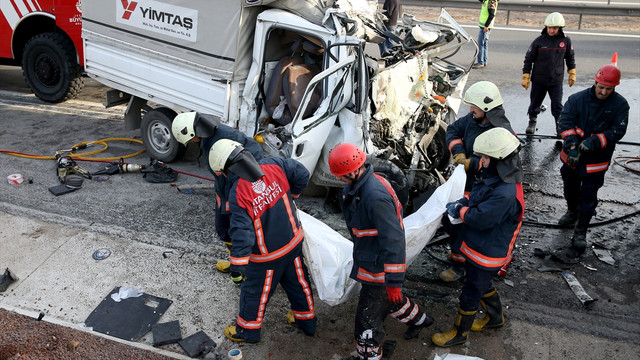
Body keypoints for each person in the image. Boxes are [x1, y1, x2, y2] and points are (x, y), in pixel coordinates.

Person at [329, 143, 434, 360]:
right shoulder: (366, 183)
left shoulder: (375, 197)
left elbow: (394, 242)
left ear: (354, 170)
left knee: (366, 322)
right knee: (388, 301)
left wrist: (394, 283)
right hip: (372, 259)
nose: (338, 180)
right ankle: (421, 320)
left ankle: (369, 356)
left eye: (341, 175)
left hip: (379, 269)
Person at [208, 139, 317, 343]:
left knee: (254, 293)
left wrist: (237, 266)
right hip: (293, 242)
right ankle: (307, 322)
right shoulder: (274, 164)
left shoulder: (238, 192)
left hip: (266, 257)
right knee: (299, 284)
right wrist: (293, 194)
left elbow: (242, 233)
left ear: (225, 169)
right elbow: (301, 173)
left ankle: (247, 331)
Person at [432, 127, 525, 347]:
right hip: (481, 246)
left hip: (488, 252)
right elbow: (477, 197)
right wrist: (463, 203)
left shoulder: (505, 194)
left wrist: (459, 211)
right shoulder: (497, 178)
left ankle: (459, 333)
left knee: (471, 291)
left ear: (498, 159)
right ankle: (495, 318)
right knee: (481, 282)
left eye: (484, 157)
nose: (480, 161)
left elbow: (479, 218)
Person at [172, 112, 264, 277]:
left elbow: (244, 164)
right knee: (224, 228)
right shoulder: (212, 136)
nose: (190, 143)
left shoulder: (220, 140)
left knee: (235, 229)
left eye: (188, 141)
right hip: (226, 186)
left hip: (236, 188)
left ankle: (245, 268)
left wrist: (231, 199)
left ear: (193, 134)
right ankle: (237, 261)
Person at [441, 81, 514, 282]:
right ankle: (459, 255)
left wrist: (472, 164)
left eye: (474, 106)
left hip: (482, 188)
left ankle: (459, 265)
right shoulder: (473, 119)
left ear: (487, 107)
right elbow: (452, 131)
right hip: (467, 182)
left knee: (463, 225)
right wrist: (458, 152)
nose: (470, 109)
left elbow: (503, 166)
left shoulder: (502, 131)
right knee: (451, 221)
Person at [557, 64, 629, 257]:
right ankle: (572, 211)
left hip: (596, 161)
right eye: (601, 87)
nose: (604, 92)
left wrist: (596, 141)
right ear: (595, 82)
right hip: (572, 159)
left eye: (608, 89)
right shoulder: (577, 100)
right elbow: (565, 122)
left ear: (614, 88)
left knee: (589, 197)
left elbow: (617, 131)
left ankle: (581, 230)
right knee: (570, 188)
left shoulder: (620, 105)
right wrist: (572, 147)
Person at [522, 12, 576, 136]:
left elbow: (570, 58)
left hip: (556, 80)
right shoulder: (539, 41)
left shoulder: (565, 41)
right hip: (539, 79)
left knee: (557, 105)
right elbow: (528, 58)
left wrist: (572, 72)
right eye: (549, 28)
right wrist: (526, 75)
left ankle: (559, 126)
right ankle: (532, 121)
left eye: (554, 28)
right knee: (535, 103)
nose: (551, 30)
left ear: (560, 28)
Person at [473, 0, 498, 69]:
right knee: (484, 44)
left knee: (481, 44)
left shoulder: (491, 1)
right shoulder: (486, 0)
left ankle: (481, 62)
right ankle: (484, 61)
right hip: (485, 27)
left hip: (486, 27)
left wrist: (486, 26)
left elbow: (491, 14)